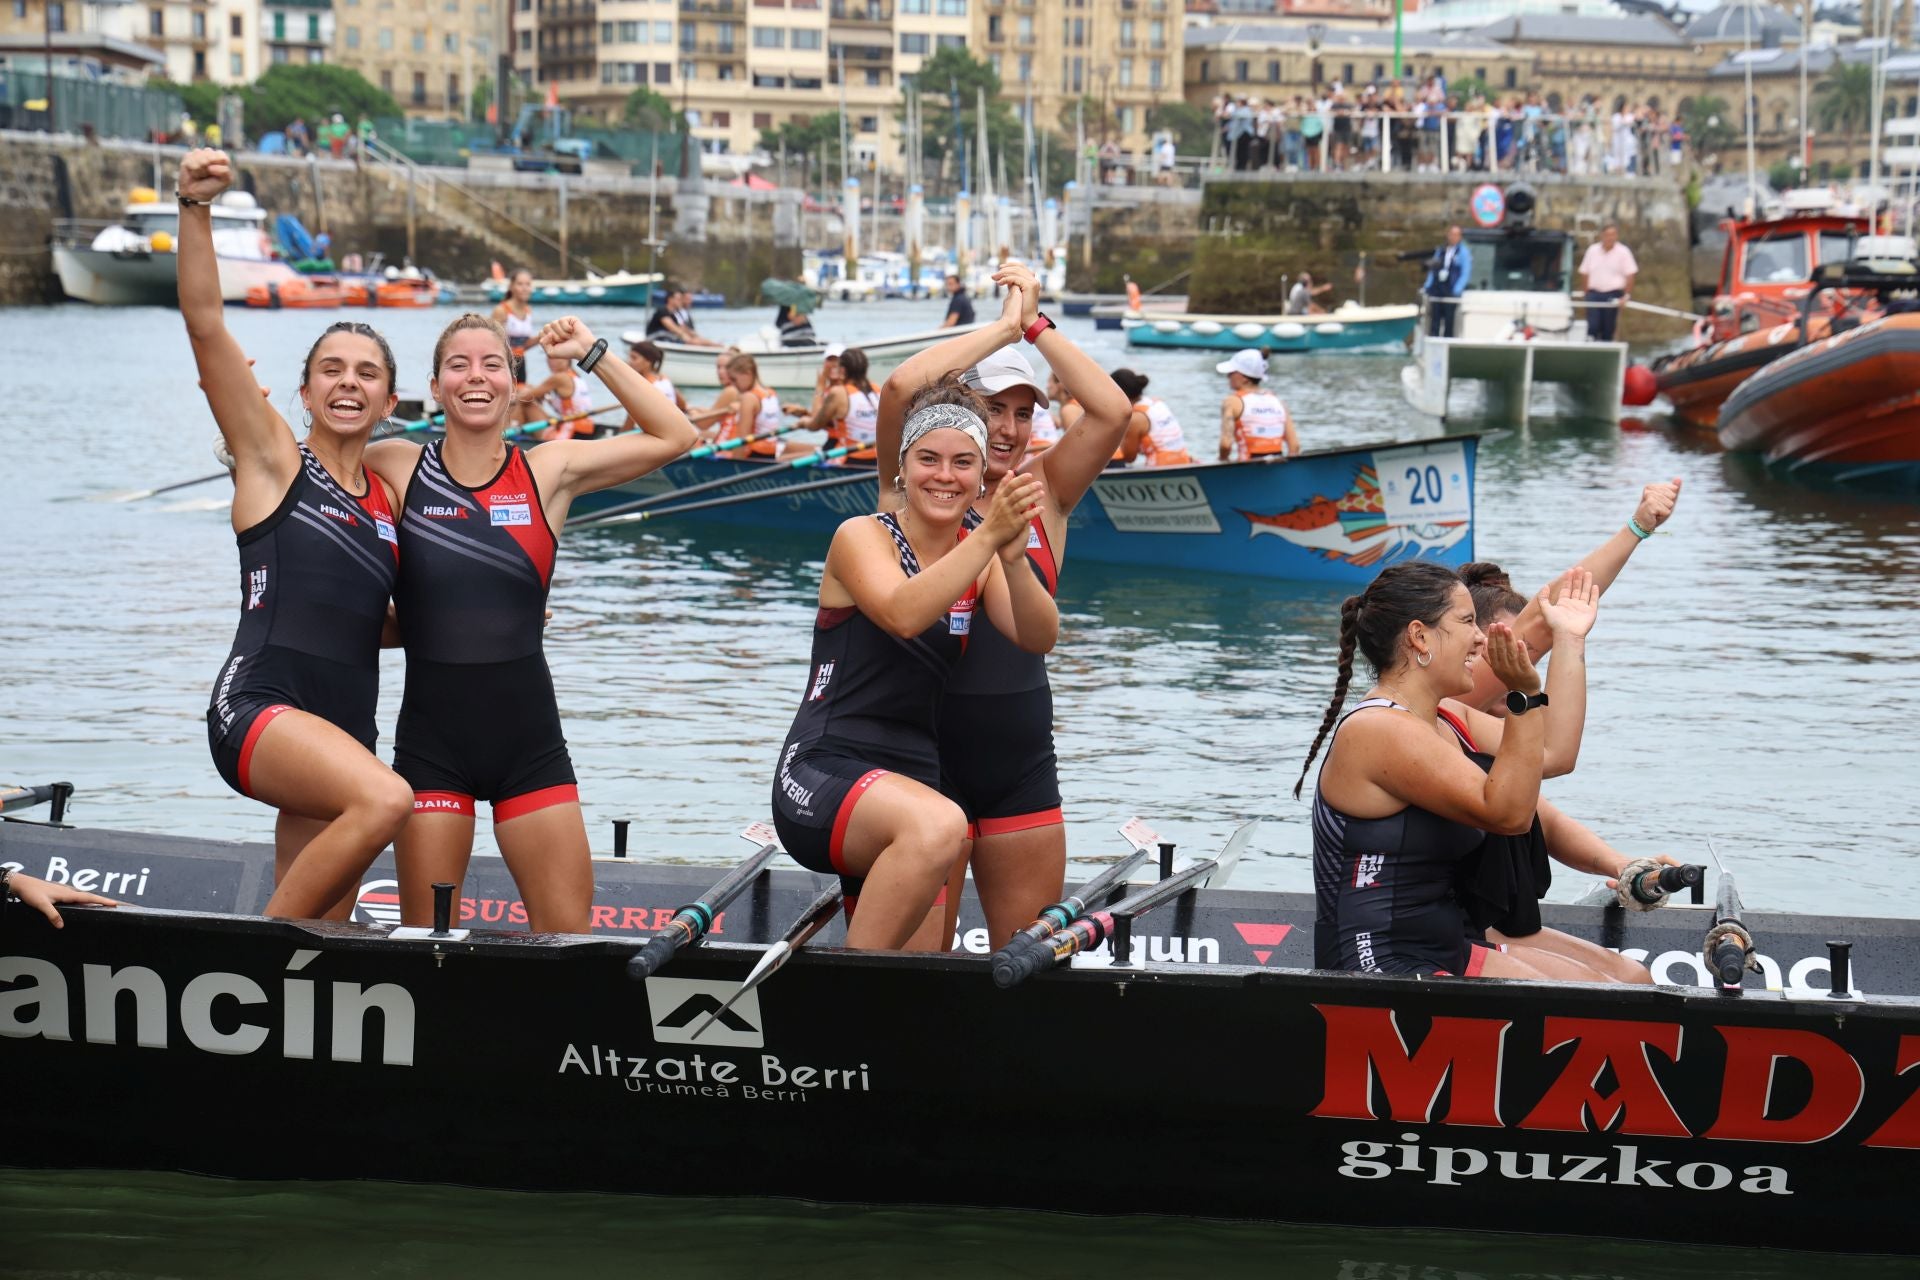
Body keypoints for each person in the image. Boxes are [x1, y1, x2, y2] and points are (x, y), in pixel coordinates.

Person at [362, 314, 699, 933]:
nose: (476, 377)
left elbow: (676, 435)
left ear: (515, 383)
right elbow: (311, 471)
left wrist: (591, 354)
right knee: (423, 946)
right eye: (457, 365)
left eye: (492, 364)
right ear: (434, 387)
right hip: (431, 751)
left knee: (568, 944)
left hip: (530, 749)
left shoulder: (549, 470)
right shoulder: (395, 464)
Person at [176, 148, 414, 921]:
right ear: (305, 390)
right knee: (387, 802)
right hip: (261, 708)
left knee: (321, 935)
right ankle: (242, 960)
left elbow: (369, 623)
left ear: (389, 400)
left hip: (344, 723)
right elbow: (207, 325)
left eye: (367, 373)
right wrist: (194, 208)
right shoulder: (276, 461)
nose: (349, 381)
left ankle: (271, 992)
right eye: (332, 370)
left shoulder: (386, 496)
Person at [876, 260, 1132, 948]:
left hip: (1020, 764)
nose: (1014, 430)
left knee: (1029, 966)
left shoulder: (1046, 491)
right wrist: (1003, 328)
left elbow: (1112, 411)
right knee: (910, 973)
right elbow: (899, 389)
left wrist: (1039, 326)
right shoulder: (916, 492)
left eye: (1025, 414)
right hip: (919, 762)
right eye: (996, 411)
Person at [771, 390, 1056, 949]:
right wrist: (990, 539)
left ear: (982, 475)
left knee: (919, 964)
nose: (944, 477)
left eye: (962, 462)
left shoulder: (986, 552)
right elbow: (903, 612)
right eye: (928, 459)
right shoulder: (862, 536)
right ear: (901, 468)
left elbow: (1039, 635)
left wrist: (1016, 559)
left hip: (914, 790)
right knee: (944, 825)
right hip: (823, 772)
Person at [1296, 561, 1623, 981]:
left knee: (1626, 985)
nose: (1480, 637)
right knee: (1592, 1010)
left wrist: (1570, 641)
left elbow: (1554, 752)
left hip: (1450, 945)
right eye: (1468, 621)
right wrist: (1523, 694)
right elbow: (1507, 814)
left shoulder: (1446, 716)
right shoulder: (1378, 729)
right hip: (1382, 964)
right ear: (1419, 636)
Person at [795, 345, 880, 463]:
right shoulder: (876, 390)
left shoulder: (839, 393)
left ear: (843, 370)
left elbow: (814, 426)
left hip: (849, 457)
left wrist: (803, 421)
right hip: (877, 457)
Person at [1216, 349, 1298, 462]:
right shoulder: (1278, 402)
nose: (1228, 376)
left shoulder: (1232, 402)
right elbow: (1294, 447)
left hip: (1247, 470)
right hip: (1277, 467)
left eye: (1231, 373)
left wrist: (1222, 460)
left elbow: (1226, 444)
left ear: (1244, 377)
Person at [1110, 369, 1192, 467]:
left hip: (1161, 467)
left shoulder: (1136, 419)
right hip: (1183, 461)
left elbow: (1129, 458)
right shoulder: (1157, 403)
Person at [713, 353, 783, 457]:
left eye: (734, 379)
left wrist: (734, 464)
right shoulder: (771, 393)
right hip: (771, 454)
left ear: (748, 373)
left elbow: (741, 441)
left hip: (753, 456)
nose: (733, 385)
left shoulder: (748, 398)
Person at [520, 345, 594, 439]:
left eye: (557, 358)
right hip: (587, 429)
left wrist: (518, 393)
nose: (552, 362)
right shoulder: (576, 376)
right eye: (549, 357)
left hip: (572, 431)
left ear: (568, 359)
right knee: (527, 393)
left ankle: (511, 434)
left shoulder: (559, 378)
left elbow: (525, 397)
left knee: (526, 404)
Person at [1579, 223, 1637, 343]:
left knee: (1608, 328)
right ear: (1602, 236)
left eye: (1613, 235)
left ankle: (1606, 345)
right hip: (1594, 294)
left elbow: (1630, 274)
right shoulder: (1592, 250)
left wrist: (1626, 296)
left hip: (1613, 294)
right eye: (1608, 235)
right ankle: (1591, 345)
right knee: (1593, 326)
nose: (1610, 238)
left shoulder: (1623, 252)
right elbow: (1584, 272)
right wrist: (1586, 293)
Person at [618, 333, 691, 425]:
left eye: (634, 358)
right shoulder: (664, 379)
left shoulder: (642, 386)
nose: (630, 362)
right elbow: (682, 405)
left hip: (654, 435)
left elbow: (629, 424)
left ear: (648, 361)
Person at [1423, 225, 1471, 338]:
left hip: (1451, 290)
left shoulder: (1463, 252)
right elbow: (1433, 269)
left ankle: (1447, 338)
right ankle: (1433, 338)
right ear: (1448, 235)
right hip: (1438, 288)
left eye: (1457, 235)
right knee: (1435, 317)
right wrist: (1427, 285)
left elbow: (1466, 272)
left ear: (1460, 237)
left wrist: (1458, 289)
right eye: (1452, 234)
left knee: (1449, 319)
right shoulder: (1441, 251)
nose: (1454, 237)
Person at [646, 287, 718, 346]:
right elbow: (673, 328)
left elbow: (683, 328)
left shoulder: (676, 314)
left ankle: (717, 346)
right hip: (655, 337)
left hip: (667, 338)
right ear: (670, 299)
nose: (681, 301)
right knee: (689, 340)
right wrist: (687, 339)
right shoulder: (662, 311)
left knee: (697, 340)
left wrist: (698, 337)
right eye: (678, 299)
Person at [491, 268, 538, 358]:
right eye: (520, 284)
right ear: (511, 286)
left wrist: (542, 336)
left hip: (520, 361)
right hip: (504, 362)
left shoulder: (528, 310)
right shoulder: (501, 310)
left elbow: (523, 346)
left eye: (528, 284)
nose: (524, 288)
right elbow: (492, 343)